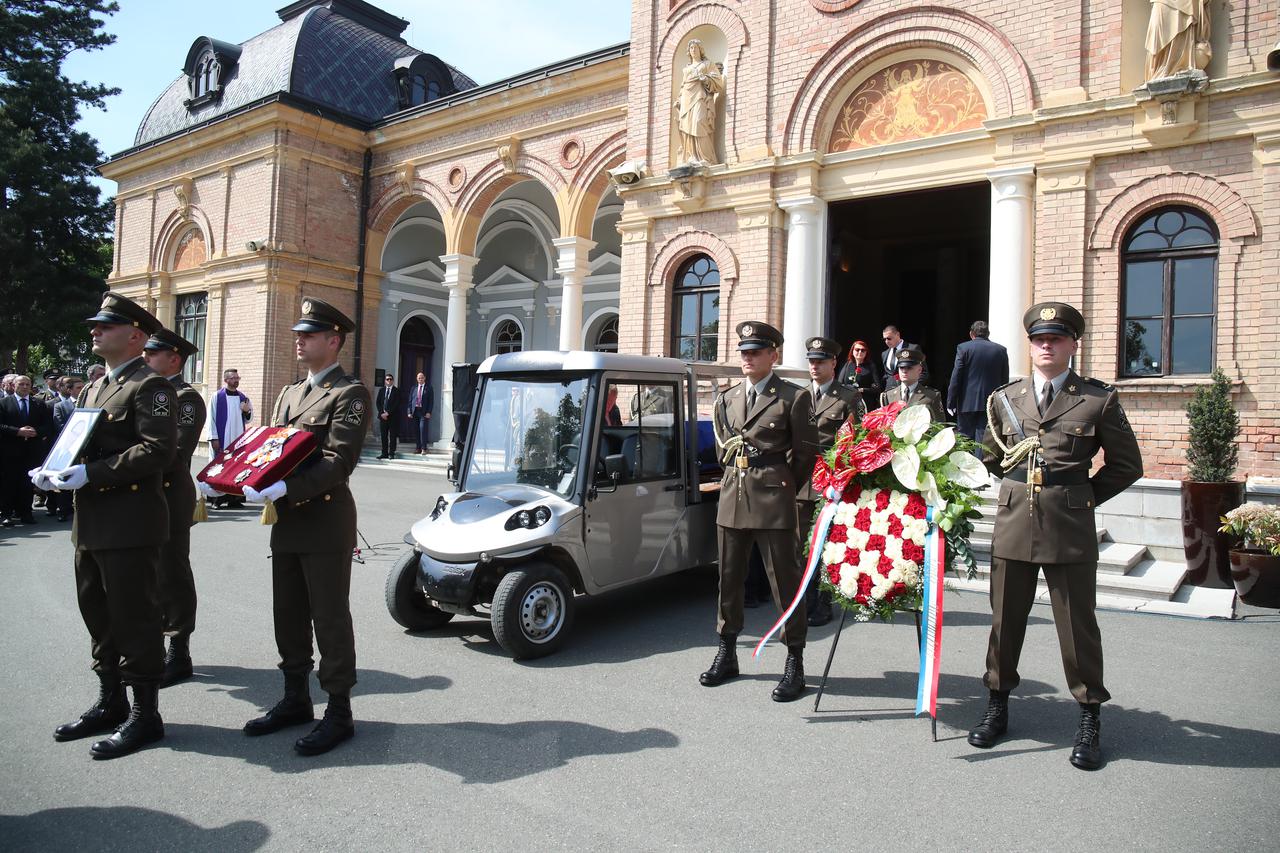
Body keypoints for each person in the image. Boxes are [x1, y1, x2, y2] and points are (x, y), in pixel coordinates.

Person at [968, 302, 1143, 771]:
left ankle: (1089, 718)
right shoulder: (1005, 398)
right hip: (1013, 523)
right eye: (1039, 339)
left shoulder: (1096, 399)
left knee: (1077, 626)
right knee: (1004, 621)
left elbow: (1128, 464)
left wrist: (1080, 497)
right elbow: (989, 455)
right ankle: (998, 706)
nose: (1047, 345)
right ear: (1030, 344)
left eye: (1056, 338)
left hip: (1069, 526)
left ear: (1072, 345)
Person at [36, 292, 176, 759]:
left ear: (135, 335)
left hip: (130, 522)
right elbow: (77, 442)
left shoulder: (150, 386)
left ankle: (145, 714)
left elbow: (157, 451)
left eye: (105, 325)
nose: (94, 330)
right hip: (92, 521)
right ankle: (111, 699)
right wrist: (52, 470)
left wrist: (91, 474)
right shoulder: (95, 387)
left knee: (135, 617)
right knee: (97, 614)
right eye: (95, 325)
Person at [233, 297, 371, 756]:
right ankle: (295, 698)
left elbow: (338, 461)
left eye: (308, 335)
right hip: (288, 522)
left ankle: (339, 710)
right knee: (288, 613)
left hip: (325, 519)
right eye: (298, 333)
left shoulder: (349, 394)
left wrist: (283, 490)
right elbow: (270, 448)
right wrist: (242, 478)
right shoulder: (290, 394)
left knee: (328, 617)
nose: (298, 339)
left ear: (334, 341)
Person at [702, 320, 815, 702]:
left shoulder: (792, 397)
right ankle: (727, 651)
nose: (747, 358)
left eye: (755, 352)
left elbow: (805, 455)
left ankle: (794, 661)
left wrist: (781, 484)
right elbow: (722, 452)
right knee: (729, 580)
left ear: (774, 355)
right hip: (733, 494)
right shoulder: (727, 399)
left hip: (773, 497)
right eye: (744, 352)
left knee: (784, 581)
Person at [142, 329, 206, 687]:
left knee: (171, 573)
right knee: (146, 575)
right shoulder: (146, 393)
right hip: (140, 496)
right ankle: (151, 643)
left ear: (174, 359)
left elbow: (174, 453)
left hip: (169, 495)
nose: (146, 358)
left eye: (153, 354)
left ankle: (178, 650)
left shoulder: (185, 398)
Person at [797, 337, 865, 627]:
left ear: (833, 363)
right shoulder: (799, 396)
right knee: (801, 544)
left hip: (832, 481)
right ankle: (804, 599)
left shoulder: (848, 397)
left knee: (826, 545)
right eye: (811, 361)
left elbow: (858, 442)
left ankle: (823, 603)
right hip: (801, 481)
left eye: (820, 361)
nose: (815, 366)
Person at [1, 375, 53, 525]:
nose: (24, 387)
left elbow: (48, 426)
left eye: (27, 384)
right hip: (10, 451)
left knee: (27, 483)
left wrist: (36, 431)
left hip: (31, 451)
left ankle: (26, 513)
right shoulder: (4, 403)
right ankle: (7, 514)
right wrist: (18, 431)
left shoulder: (39, 404)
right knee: (9, 483)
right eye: (21, 384)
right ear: (13, 385)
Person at [947, 321, 1010, 446]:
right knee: (984, 440)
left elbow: (956, 375)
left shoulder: (963, 348)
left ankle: (964, 465)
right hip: (990, 402)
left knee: (965, 439)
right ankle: (981, 464)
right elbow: (1004, 379)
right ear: (988, 334)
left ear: (971, 334)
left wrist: (951, 401)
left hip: (967, 401)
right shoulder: (1001, 350)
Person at [205, 368, 252, 508]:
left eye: (237, 378)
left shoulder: (243, 397)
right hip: (221, 438)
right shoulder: (217, 397)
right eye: (233, 378)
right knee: (219, 468)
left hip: (238, 438)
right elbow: (211, 418)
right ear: (226, 380)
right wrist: (213, 437)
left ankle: (234, 499)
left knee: (236, 467)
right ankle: (216, 500)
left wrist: (247, 411)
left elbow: (249, 419)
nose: (236, 380)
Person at [673, 39, 724, 165]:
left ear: (700, 50)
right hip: (686, 98)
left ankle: (705, 158)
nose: (693, 50)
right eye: (691, 48)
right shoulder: (687, 68)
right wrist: (679, 99)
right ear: (689, 52)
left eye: (696, 47)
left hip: (700, 97)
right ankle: (691, 156)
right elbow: (683, 85)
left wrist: (704, 78)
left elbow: (718, 81)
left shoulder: (707, 64)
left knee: (699, 122)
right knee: (686, 127)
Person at [49, 376, 84, 522]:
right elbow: (60, 426)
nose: (82, 390)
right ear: (69, 390)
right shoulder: (61, 406)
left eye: (83, 387)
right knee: (65, 478)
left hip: (85, 450)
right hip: (68, 449)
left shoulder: (89, 404)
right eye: (78, 388)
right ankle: (64, 510)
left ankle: (81, 509)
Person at [879, 346, 946, 422]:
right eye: (901, 367)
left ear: (919, 370)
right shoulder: (888, 395)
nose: (904, 371)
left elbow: (940, 425)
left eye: (909, 367)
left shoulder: (931, 395)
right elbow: (884, 426)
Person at [837, 339, 884, 414]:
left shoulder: (871, 366)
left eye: (863, 350)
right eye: (857, 350)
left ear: (866, 352)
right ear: (852, 351)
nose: (860, 352)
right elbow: (839, 384)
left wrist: (861, 390)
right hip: (848, 402)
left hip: (866, 404)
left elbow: (877, 388)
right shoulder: (847, 365)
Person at [375, 373, 401, 459]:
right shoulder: (381, 390)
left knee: (392, 436)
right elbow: (378, 402)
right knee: (383, 436)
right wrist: (382, 413)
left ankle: (391, 453)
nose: (389, 381)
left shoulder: (396, 391)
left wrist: (388, 413)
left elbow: (396, 404)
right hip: (383, 417)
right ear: (385, 381)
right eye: (387, 379)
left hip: (392, 417)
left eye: (390, 379)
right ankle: (384, 453)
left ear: (393, 381)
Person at [408, 371, 433, 454]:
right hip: (415, 411)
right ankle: (418, 447)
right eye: (419, 378)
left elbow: (431, 401)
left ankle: (424, 448)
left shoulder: (429, 388)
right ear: (417, 379)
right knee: (416, 430)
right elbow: (410, 401)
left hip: (423, 412)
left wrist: (429, 412)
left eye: (422, 377)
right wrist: (409, 411)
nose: (420, 379)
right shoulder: (414, 388)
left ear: (424, 378)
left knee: (422, 429)